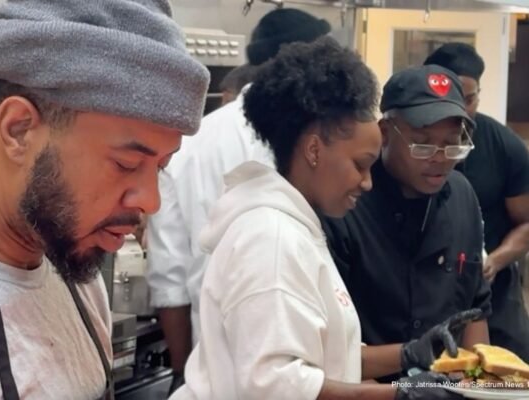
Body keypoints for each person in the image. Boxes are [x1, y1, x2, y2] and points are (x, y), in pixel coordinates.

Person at [170, 36, 476, 400]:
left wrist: (408, 354)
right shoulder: (270, 238)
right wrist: (399, 394)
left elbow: (327, 356)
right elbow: (278, 386)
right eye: (360, 165)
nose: (367, 182)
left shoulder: (296, 229)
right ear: (314, 149)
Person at [0, 0, 209, 399]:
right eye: (127, 164)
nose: (151, 202)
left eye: (160, 167)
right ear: (19, 130)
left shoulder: (73, 266)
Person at [146, 7, 331, 392]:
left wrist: (183, 373)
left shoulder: (192, 141)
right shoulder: (304, 143)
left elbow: (170, 279)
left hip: (212, 371)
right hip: (297, 371)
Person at [323, 64, 492, 383]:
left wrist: (479, 382)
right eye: (423, 143)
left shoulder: (462, 195)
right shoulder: (347, 202)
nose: (440, 157)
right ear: (385, 133)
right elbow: (329, 349)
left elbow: (476, 308)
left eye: (452, 143)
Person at [425, 42, 529, 361]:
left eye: (468, 99)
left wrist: (495, 260)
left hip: (493, 287)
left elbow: (526, 223)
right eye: (451, 100)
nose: (460, 109)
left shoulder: (506, 147)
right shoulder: (408, 145)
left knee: (507, 371)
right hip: (429, 286)